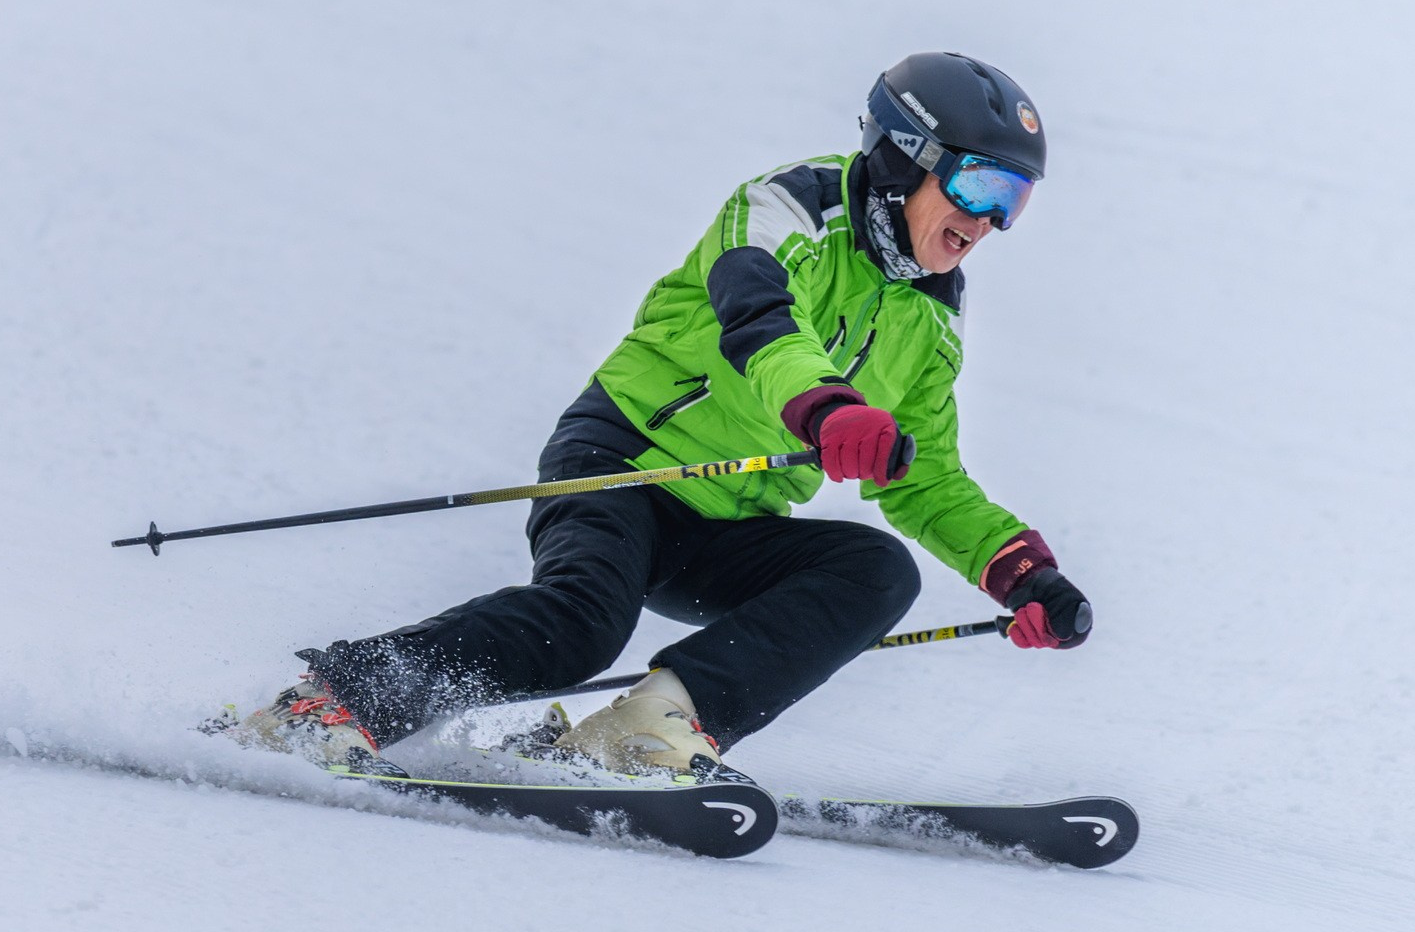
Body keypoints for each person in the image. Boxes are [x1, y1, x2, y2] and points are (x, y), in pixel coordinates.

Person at [231, 52, 1093, 777]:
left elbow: (927, 475)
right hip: (627, 464)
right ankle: (323, 708)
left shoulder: (932, 313)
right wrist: (827, 411)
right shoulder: (789, 209)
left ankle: (643, 729)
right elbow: (760, 325)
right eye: (979, 184)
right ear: (907, 155)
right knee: (581, 621)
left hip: (729, 522)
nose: (987, 222)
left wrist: (1018, 572)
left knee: (876, 570)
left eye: (1012, 202)